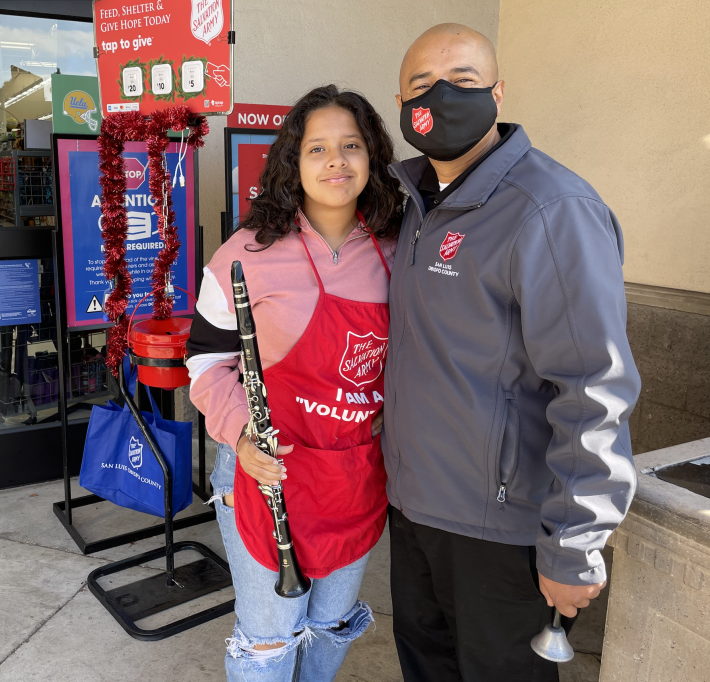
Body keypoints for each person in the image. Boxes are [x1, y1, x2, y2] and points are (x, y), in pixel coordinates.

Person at [382, 23, 641, 682]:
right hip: (414, 509)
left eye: (463, 81)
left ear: (498, 92)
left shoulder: (551, 210)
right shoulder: (411, 201)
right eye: (421, 85)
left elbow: (593, 385)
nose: (441, 96)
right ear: (400, 101)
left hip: (497, 529)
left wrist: (577, 540)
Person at [186, 84, 403, 681]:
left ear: (372, 156)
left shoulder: (398, 250)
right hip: (264, 474)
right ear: (292, 162)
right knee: (269, 638)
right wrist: (242, 438)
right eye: (318, 149)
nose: (336, 161)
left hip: (351, 475)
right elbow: (205, 363)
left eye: (351, 145)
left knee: (332, 622)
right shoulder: (245, 254)